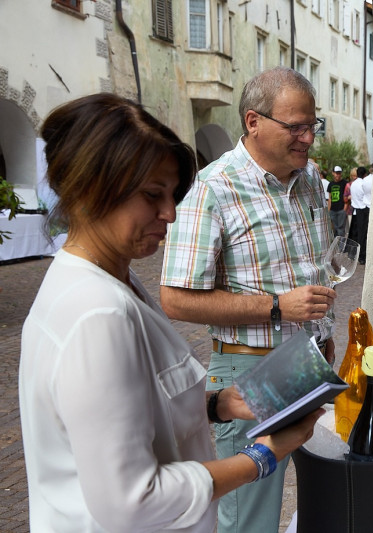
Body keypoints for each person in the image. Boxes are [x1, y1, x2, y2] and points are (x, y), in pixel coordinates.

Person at [18, 93, 323, 532]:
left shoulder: (106, 280)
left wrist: (217, 405)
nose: (170, 213)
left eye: (172, 194)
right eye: (151, 195)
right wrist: (262, 455)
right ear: (90, 190)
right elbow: (134, 501)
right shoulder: (96, 313)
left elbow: (131, 410)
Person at [160, 67, 336, 533]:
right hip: (249, 370)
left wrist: (323, 332)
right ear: (253, 121)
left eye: (312, 125)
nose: (307, 138)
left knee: (320, 495)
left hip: (308, 364)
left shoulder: (311, 177)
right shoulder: (211, 189)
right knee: (248, 517)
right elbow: (175, 299)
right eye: (295, 126)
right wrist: (277, 306)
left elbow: (314, 266)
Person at [349, 166, 368, 263]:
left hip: (355, 210)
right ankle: (362, 256)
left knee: (354, 234)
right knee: (363, 234)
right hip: (363, 210)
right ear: (364, 174)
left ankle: (353, 254)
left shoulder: (353, 184)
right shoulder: (363, 183)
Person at [328, 165, 347, 237]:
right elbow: (330, 198)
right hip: (332, 210)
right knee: (334, 230)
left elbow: (346, 196)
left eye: (339, 173)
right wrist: (328, 210)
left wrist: (344, 209)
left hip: (341, 209)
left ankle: (341, 247)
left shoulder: (344, 183)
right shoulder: (331, 184)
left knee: (341, 230)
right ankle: (336, 247)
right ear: (333, 173)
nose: (338, 175)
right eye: (336, 173)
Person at [344, 167, 356, 237]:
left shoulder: (361, 184)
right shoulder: (348, 185)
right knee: (350, 230)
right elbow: (345, 198)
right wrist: (349, 197)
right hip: (350, 210)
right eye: (354, 175)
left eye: (356, 175)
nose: (355, 177)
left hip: (359, 210)